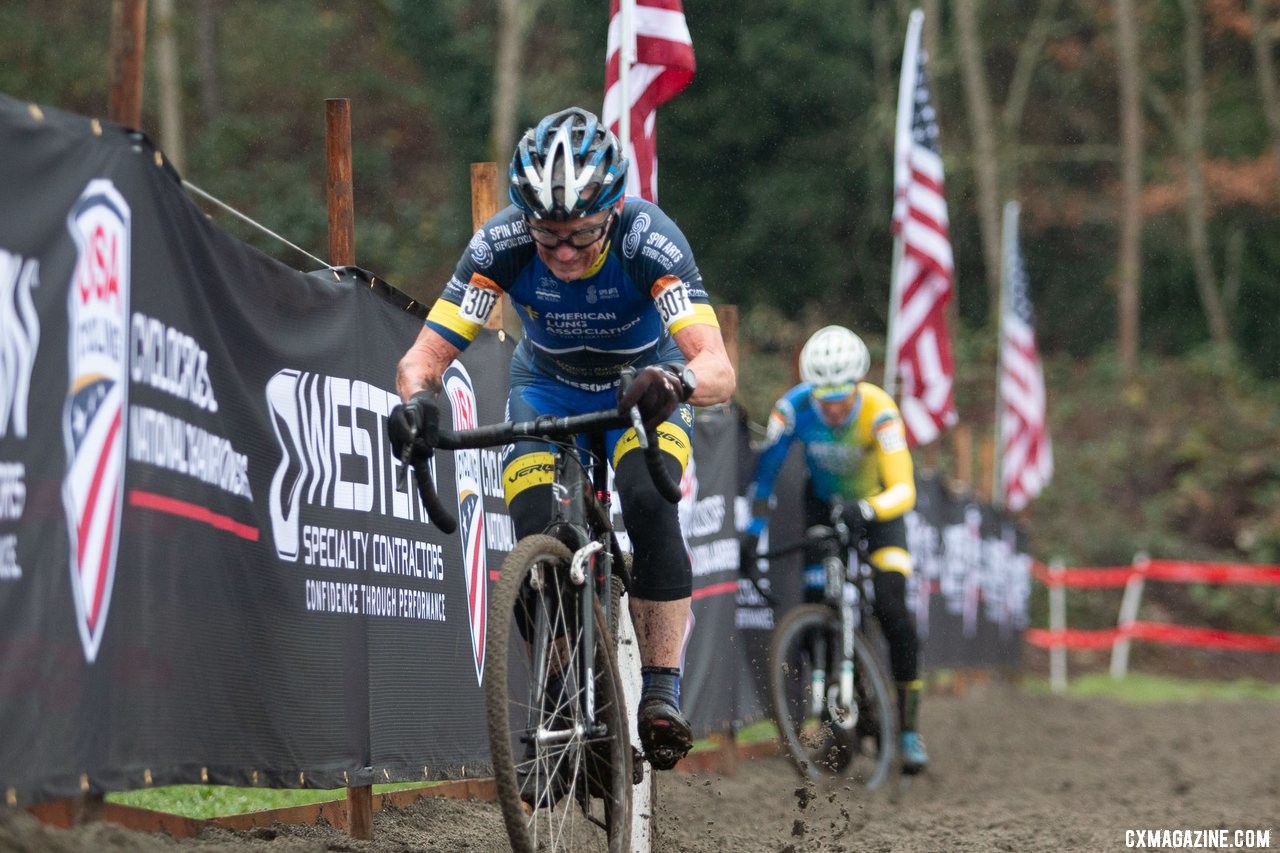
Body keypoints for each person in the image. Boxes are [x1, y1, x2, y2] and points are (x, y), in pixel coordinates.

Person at [389, 107, 736, 780]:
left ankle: (660, 688)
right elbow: (420, 360)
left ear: (611, 213)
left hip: (642, 387)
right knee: (532, 531)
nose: (565, 252)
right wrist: (414, 406)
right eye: (549, 238)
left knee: (647, 499)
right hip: (547, 387)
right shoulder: (501, 243)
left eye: (580, 235)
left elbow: (718, 369)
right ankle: (556, 694)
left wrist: (676, 379)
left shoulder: (649, 240)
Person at [740, 324, 929, 774]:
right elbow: (766, 476)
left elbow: (905, 489)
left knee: (893, 609)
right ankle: (825, 709)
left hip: (878, 510)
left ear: (858, 383)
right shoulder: (793, 408)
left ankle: (907, 728)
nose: (833, 406)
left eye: (841, 395)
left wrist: (868, 507)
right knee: (814, 603)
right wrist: (753, 529)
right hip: (822, 505)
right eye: (823, 396)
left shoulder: (880, 412)